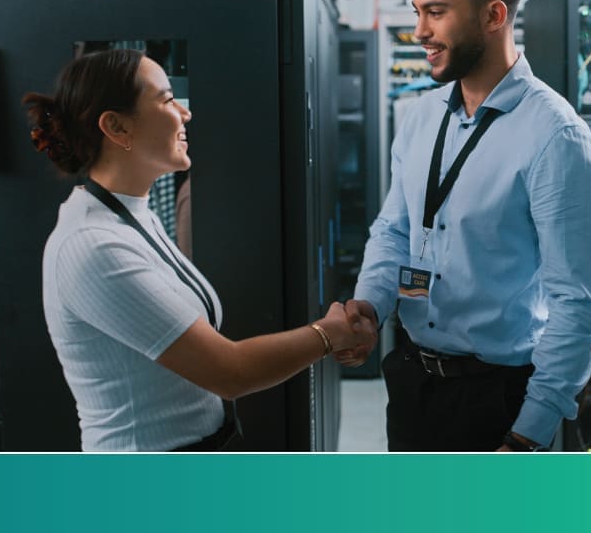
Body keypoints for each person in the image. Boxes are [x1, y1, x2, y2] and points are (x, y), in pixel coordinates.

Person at [335, 0, 591, 452]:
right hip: (414, 382)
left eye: (435, 12)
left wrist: (529, 433)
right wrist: (369, 307)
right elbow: (394, 229)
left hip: (500, 400)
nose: (419, 31)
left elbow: (577, 304)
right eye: (417, 12)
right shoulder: (420, 118)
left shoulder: (555, 137)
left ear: (493, 15)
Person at [26, 48, 377, 452]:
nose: (185, 113)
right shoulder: (92, 245)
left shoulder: (133, 216)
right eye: (166, 99)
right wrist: (328, 334)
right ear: (117, 127)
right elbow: (230, 372)